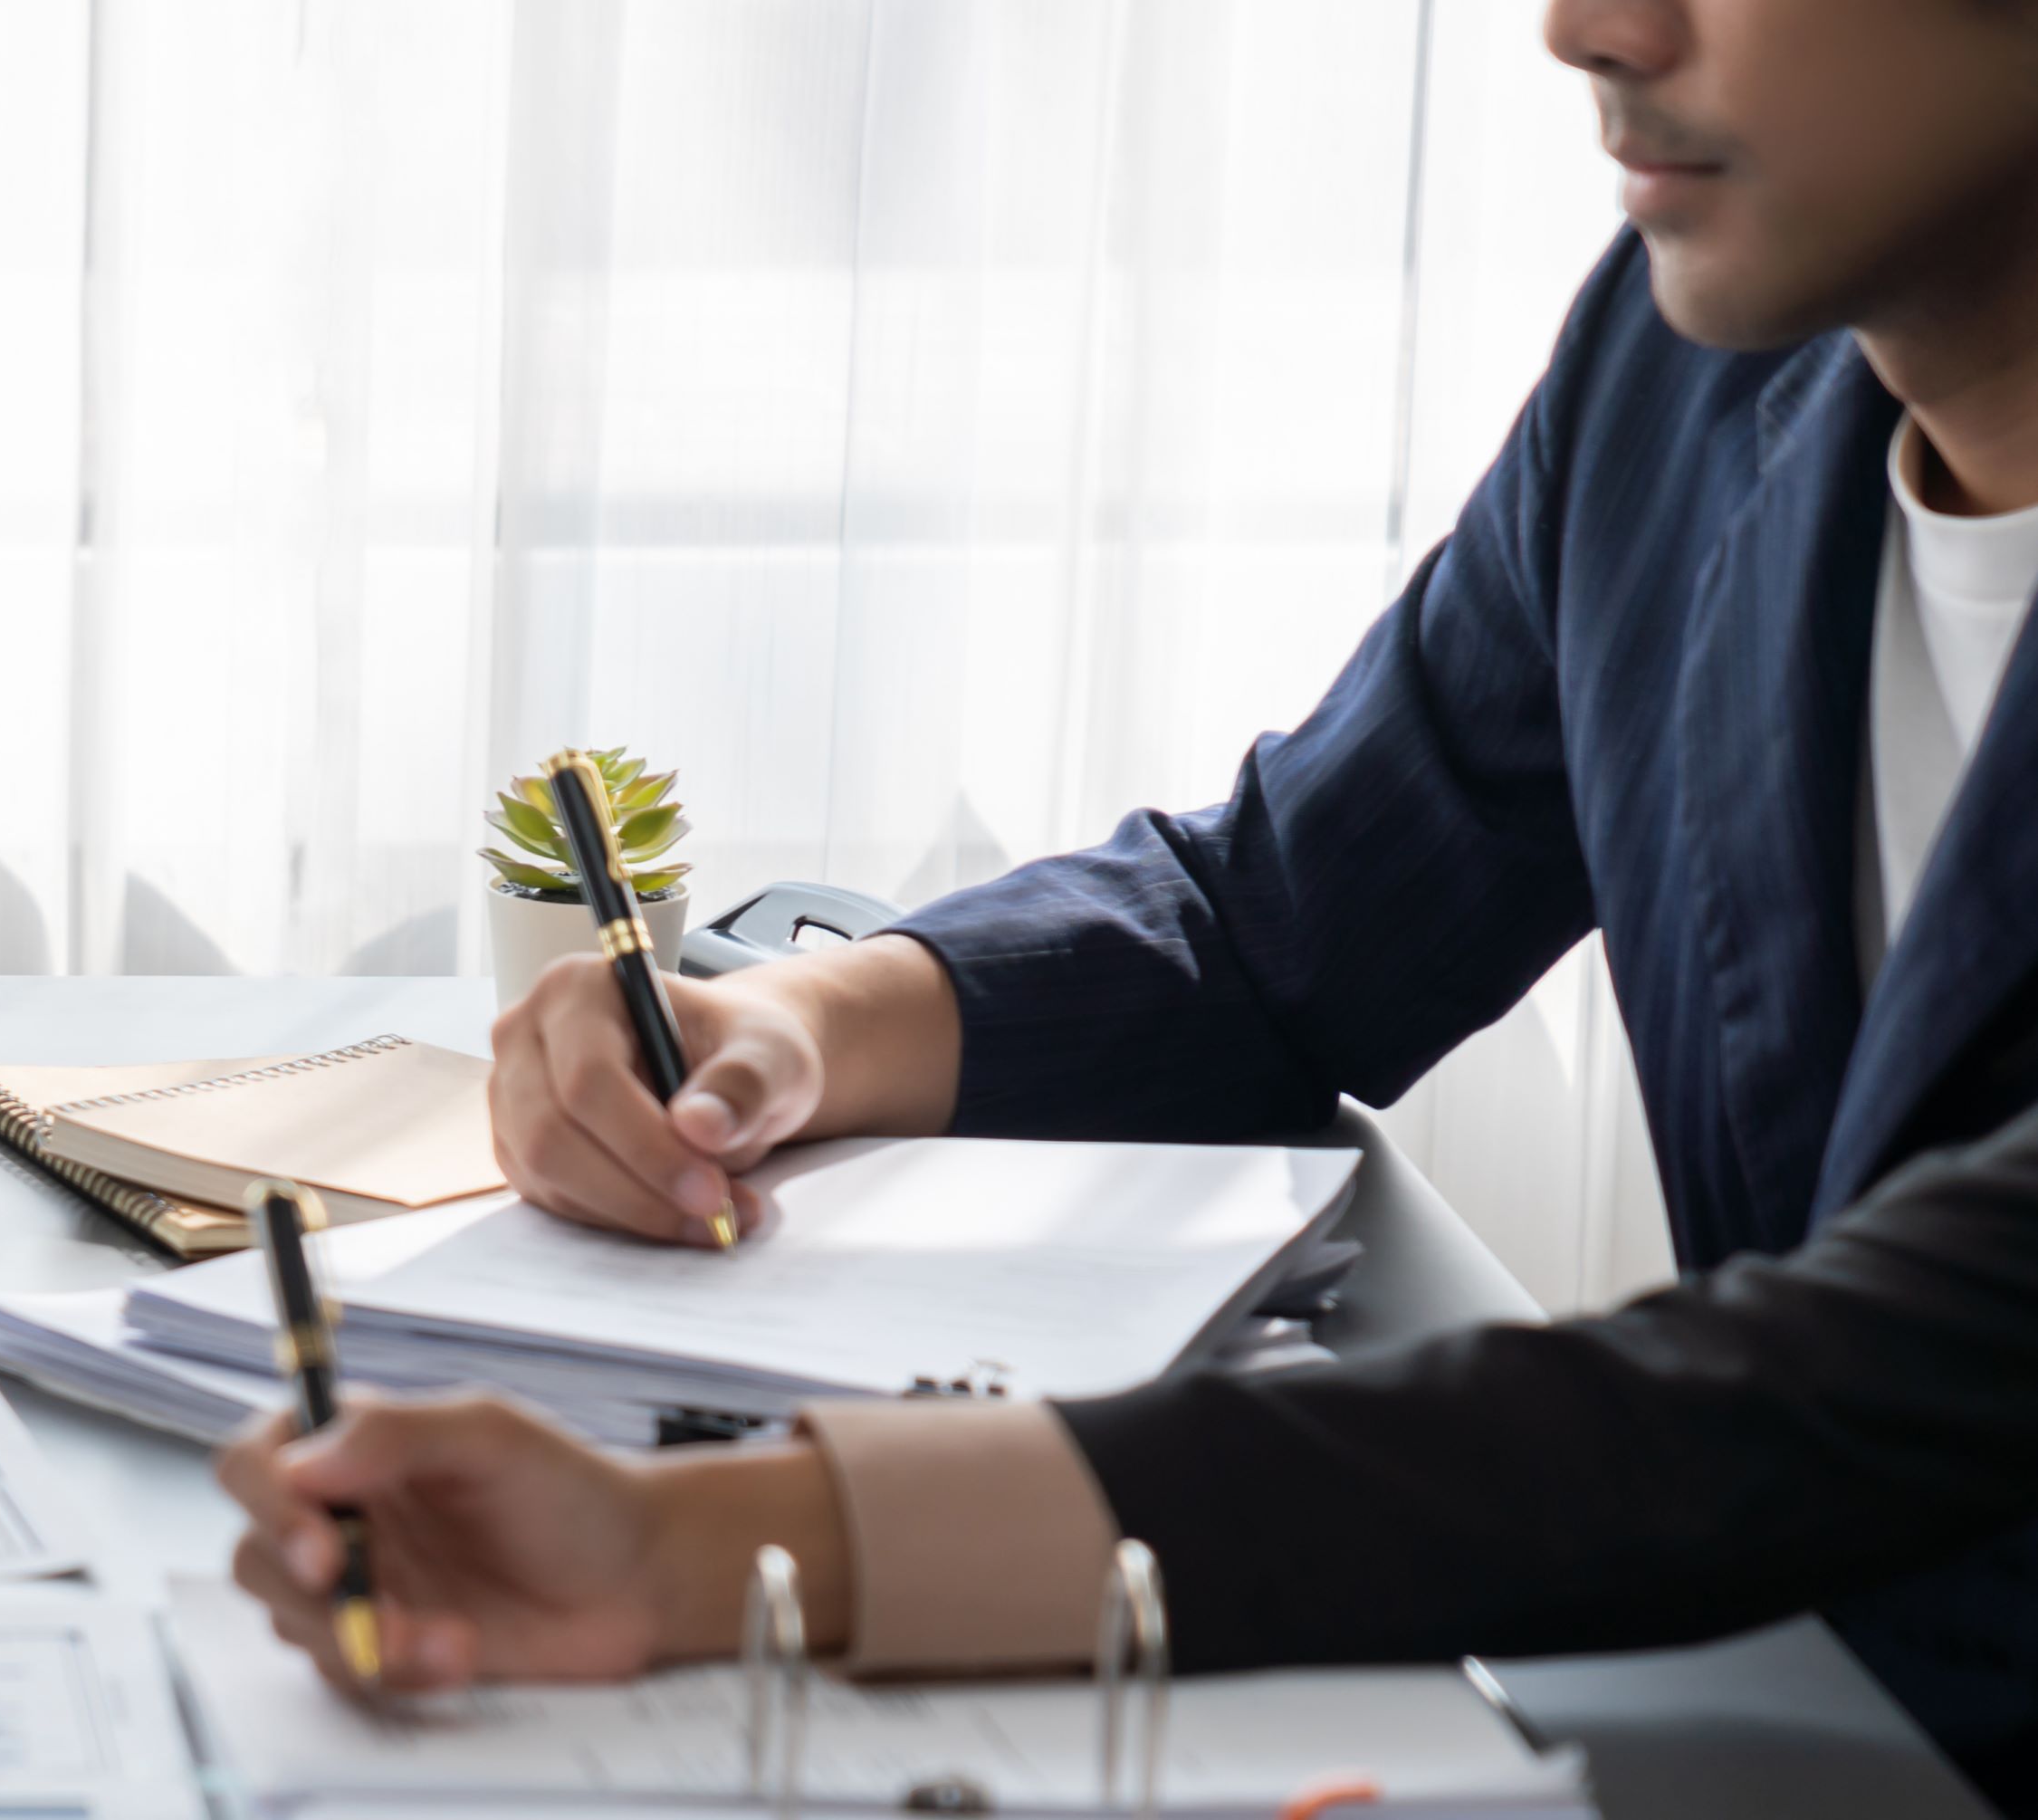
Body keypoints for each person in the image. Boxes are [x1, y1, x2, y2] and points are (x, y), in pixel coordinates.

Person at [228, 0, 2038, 1802]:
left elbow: (1810, 1401)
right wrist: (793, 1027)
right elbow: (1284, 922)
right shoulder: (1690, 388)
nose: (1584, 27)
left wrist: (714, 1550)